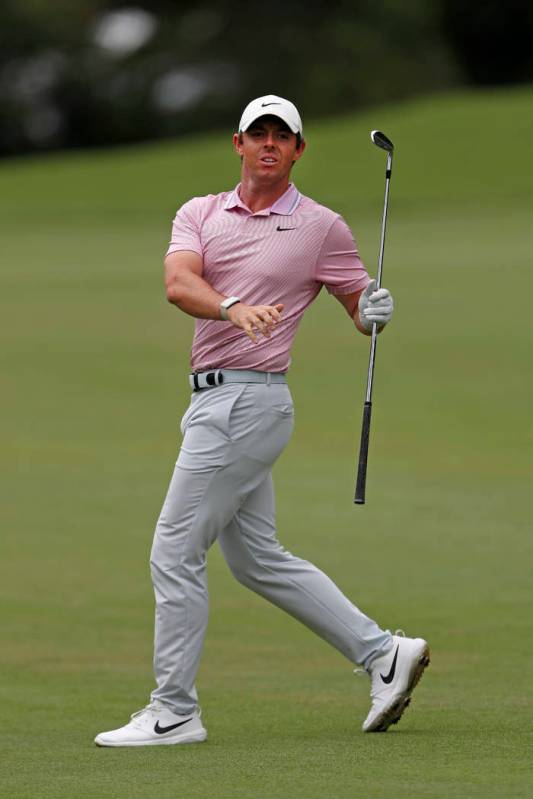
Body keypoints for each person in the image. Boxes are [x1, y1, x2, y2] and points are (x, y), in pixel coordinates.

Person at [95, 95, 429, 747]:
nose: (269, 143)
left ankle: (173, 710)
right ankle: (383, 653)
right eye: (258, 133)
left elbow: (359, 306)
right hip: (213, 401)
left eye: (283, 135)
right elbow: (177, 283)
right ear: (238, 144)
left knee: (174, 550)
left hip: (249, 402)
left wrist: (375, 309)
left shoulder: (320, 226)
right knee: (255, 559)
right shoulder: (199, 213)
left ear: (299, 149)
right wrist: (230, 306)